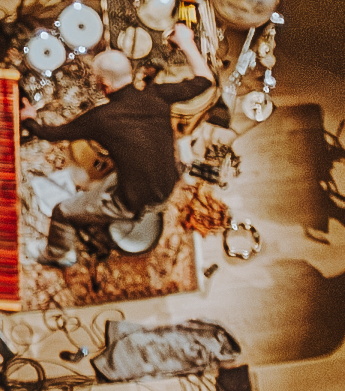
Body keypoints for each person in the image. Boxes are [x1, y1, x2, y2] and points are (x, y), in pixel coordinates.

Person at [26, 35, 218, 240]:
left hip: (134, 202)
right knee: (114, 176)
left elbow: (49, 133)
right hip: (168, 183)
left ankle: (57, 255)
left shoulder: (101, 118)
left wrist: (28, 118)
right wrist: (186, 42)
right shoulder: (158, 94)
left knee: (61, 212)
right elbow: (205, 80)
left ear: (105, 84)